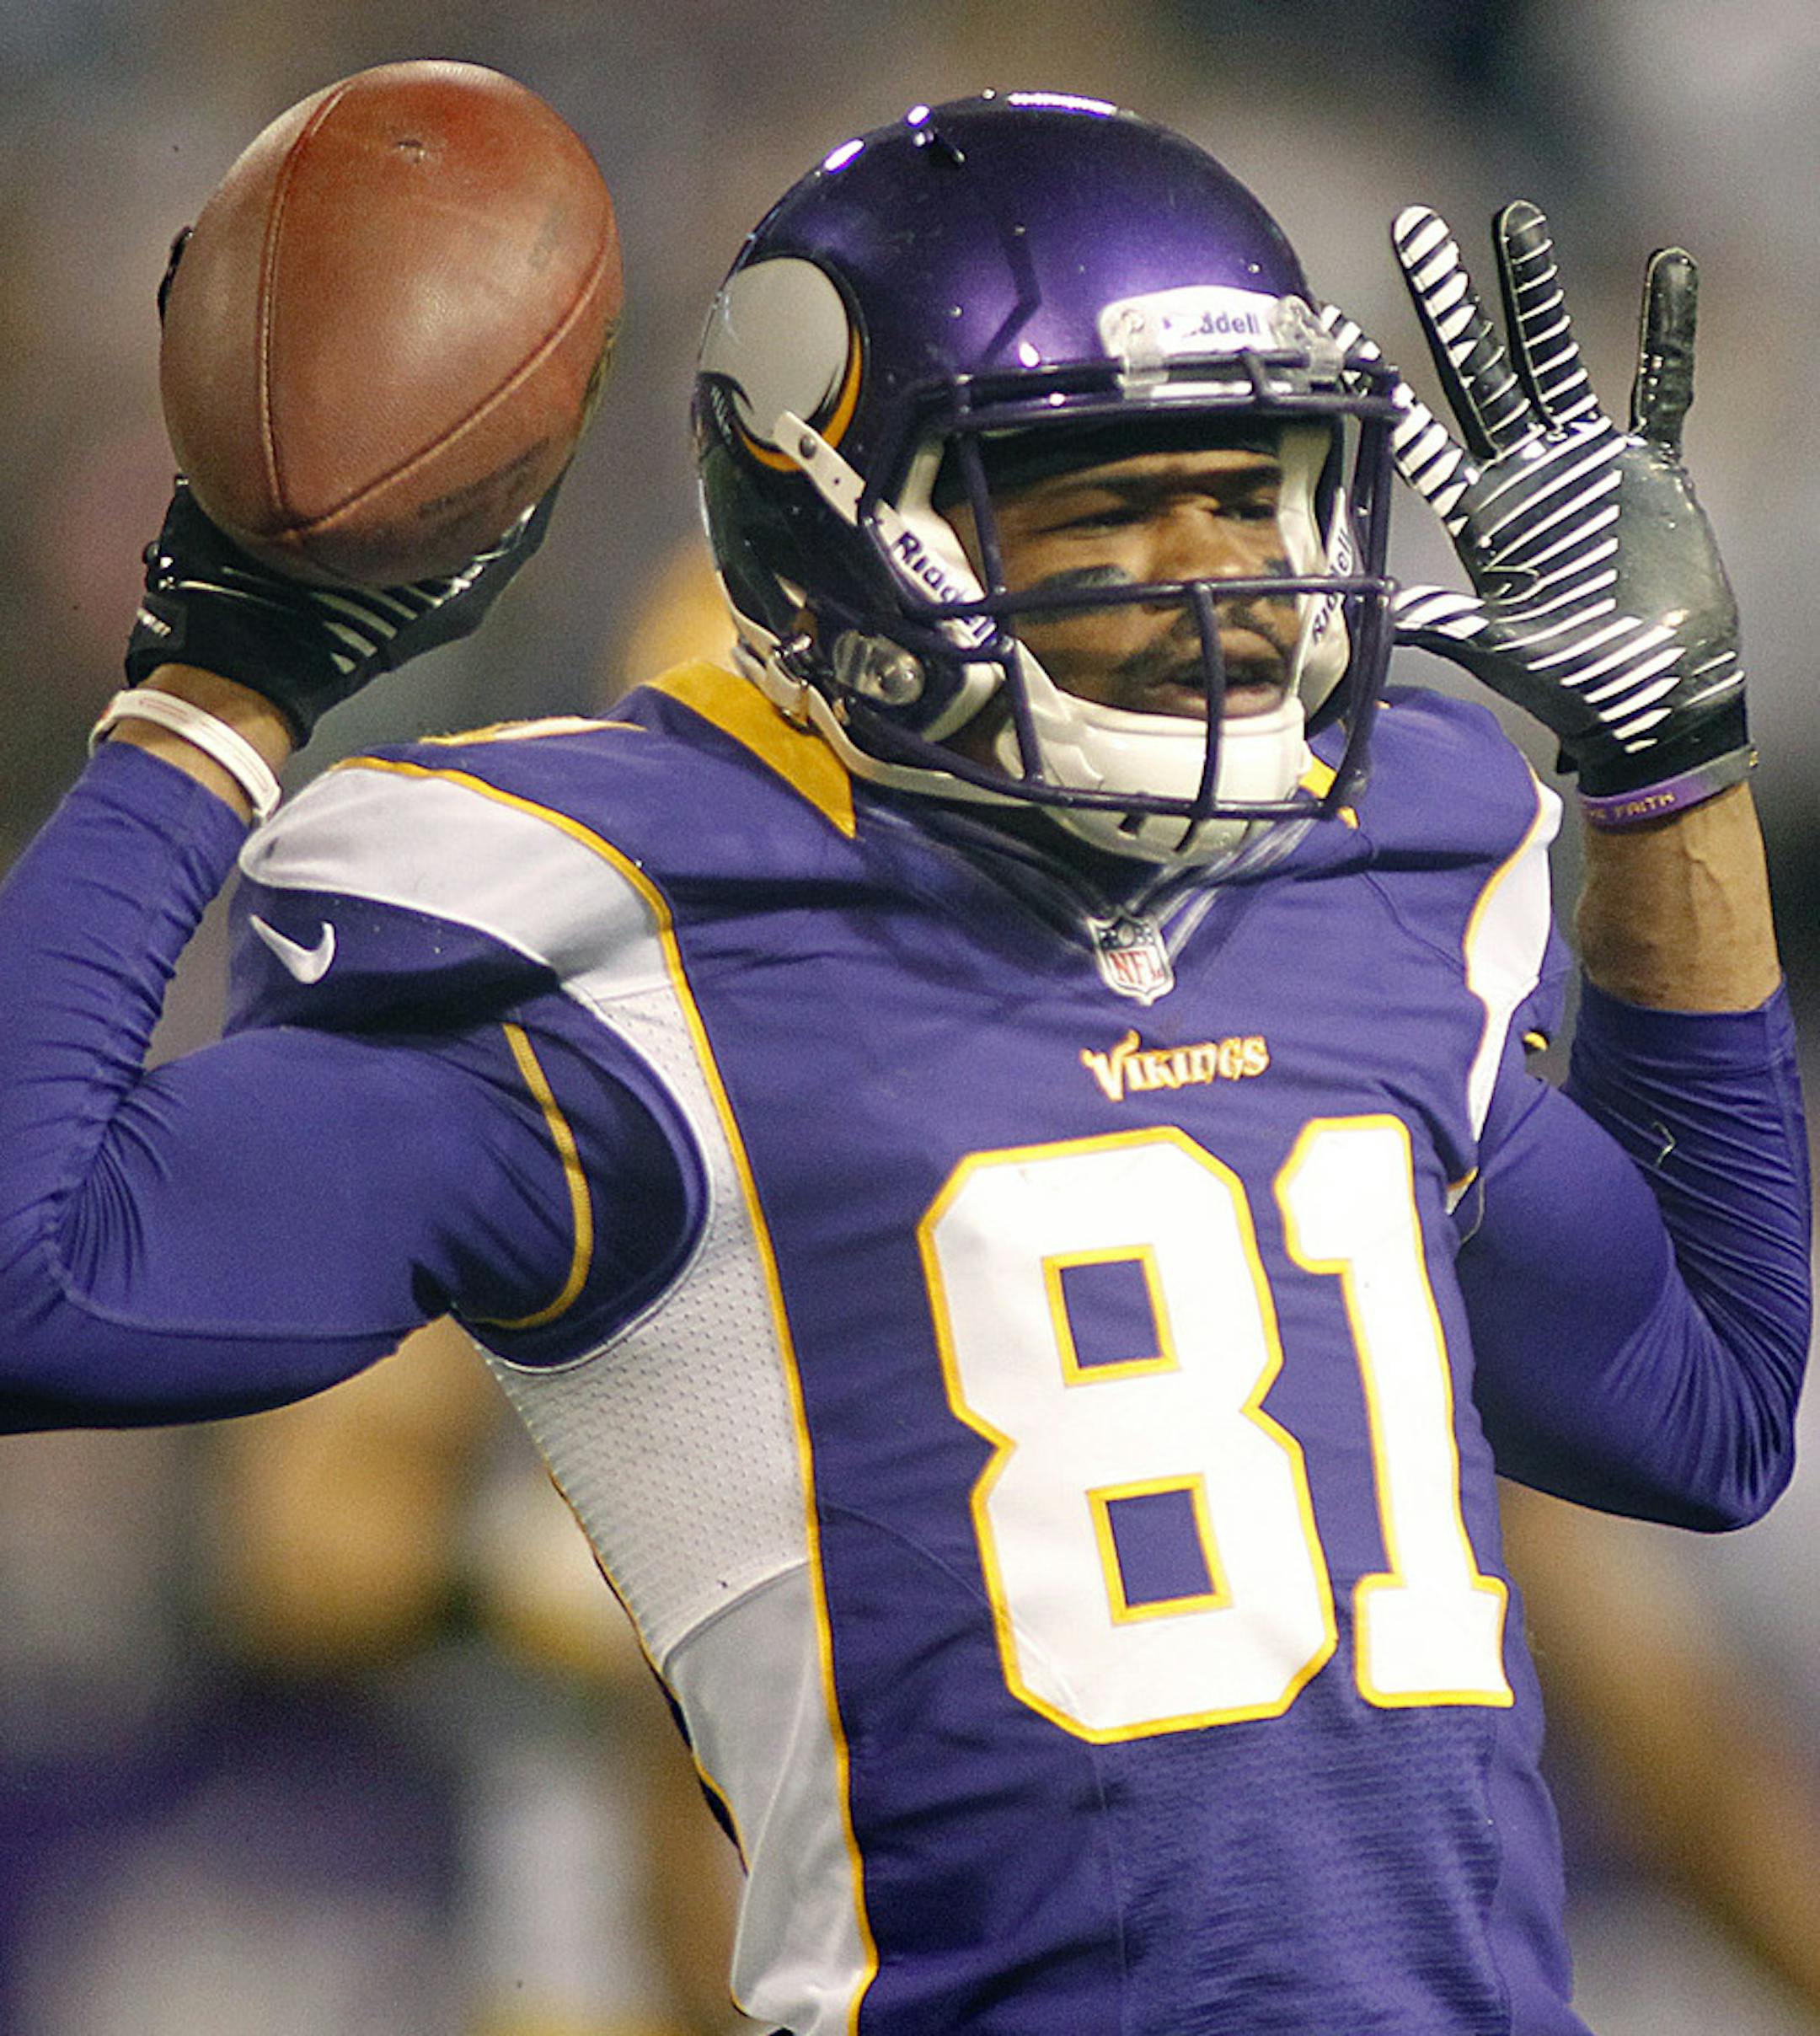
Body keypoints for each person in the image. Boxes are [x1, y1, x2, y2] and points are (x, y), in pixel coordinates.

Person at [0, 90, 1808, 2036]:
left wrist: (1669, 778)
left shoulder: (1371, 877)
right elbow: (38, 1285)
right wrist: (221, 686)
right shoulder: (625, 952)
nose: (1211, 581)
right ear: (832, 528)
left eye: (1252, 489)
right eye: (1102, 503)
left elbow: (1705, 1409)